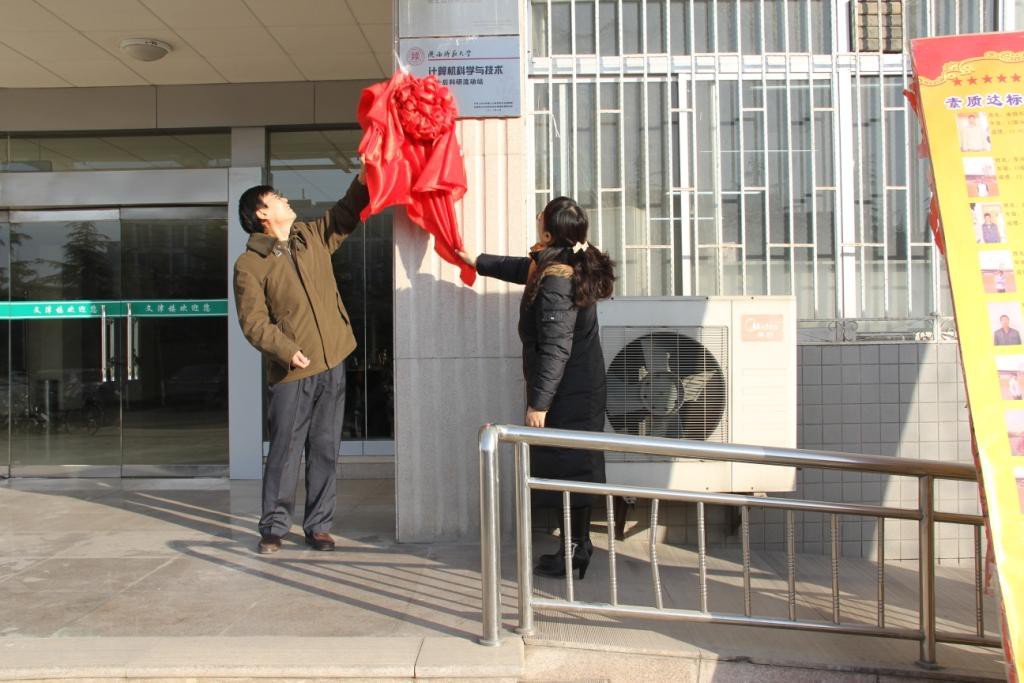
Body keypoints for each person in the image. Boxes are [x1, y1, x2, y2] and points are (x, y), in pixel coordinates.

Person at [457, 197, 615, 579]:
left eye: (542, 214)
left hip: (570, 391)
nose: (537, 216)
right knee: (571, 466)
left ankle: (575, 550)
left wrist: (539, 404)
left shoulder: (558, 278)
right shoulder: (564, 259)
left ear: (548, 233)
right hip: (578, 385)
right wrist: (477, 261)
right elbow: (522, 268)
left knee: (570, 469)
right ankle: (577, 545)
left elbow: (557, 347)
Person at [234, 169, 369, 554]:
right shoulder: (250, 264)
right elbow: (253, 322)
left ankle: (319, 526)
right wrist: (285, 349)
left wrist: (363, 178)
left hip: (332, 361)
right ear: (262, 213)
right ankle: (273, 527)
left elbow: (346, 212)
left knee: (325, 448)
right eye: (276, 197)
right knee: (285, 451)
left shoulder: (310, 237)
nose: (285, 199)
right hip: (293, 371)